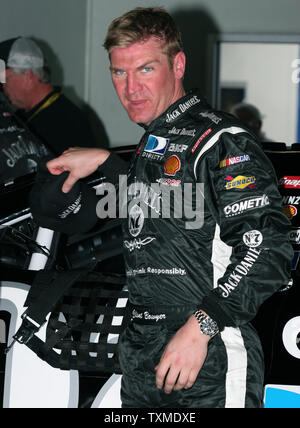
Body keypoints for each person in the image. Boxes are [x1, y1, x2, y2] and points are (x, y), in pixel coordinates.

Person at [40, 7, 292, 408]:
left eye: (144, 69)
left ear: (177, 64)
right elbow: (169, 217)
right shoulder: (153, 144)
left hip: (206, 355)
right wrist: (107, 164)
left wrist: (200, 328)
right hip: (143, 355)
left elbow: (268, 248)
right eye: (118, 72)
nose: (130, 88)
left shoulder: (220, 139)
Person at [0, 37, 98, 156]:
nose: (2, 87)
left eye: (4, 79)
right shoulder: (21, 116)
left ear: (28, 76)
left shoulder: (68, 123)